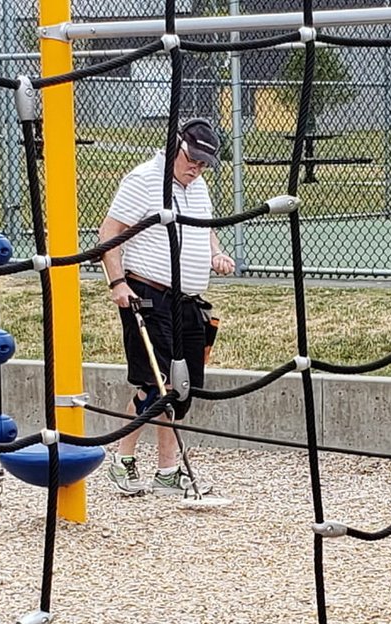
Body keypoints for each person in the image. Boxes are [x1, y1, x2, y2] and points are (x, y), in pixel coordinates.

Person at [99, 118, 235, 496]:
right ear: (177, 146)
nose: (196, 168)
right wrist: (117, 282)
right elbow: (109, 232)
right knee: (154, 384)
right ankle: (123, 459)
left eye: (204, 163)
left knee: (183, 387)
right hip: (148, 293)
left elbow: (203, 228)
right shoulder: (144, 180)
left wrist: (216, 253)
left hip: (188, 300)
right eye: (192, 159)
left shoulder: (199, 185)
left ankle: (167, 471)